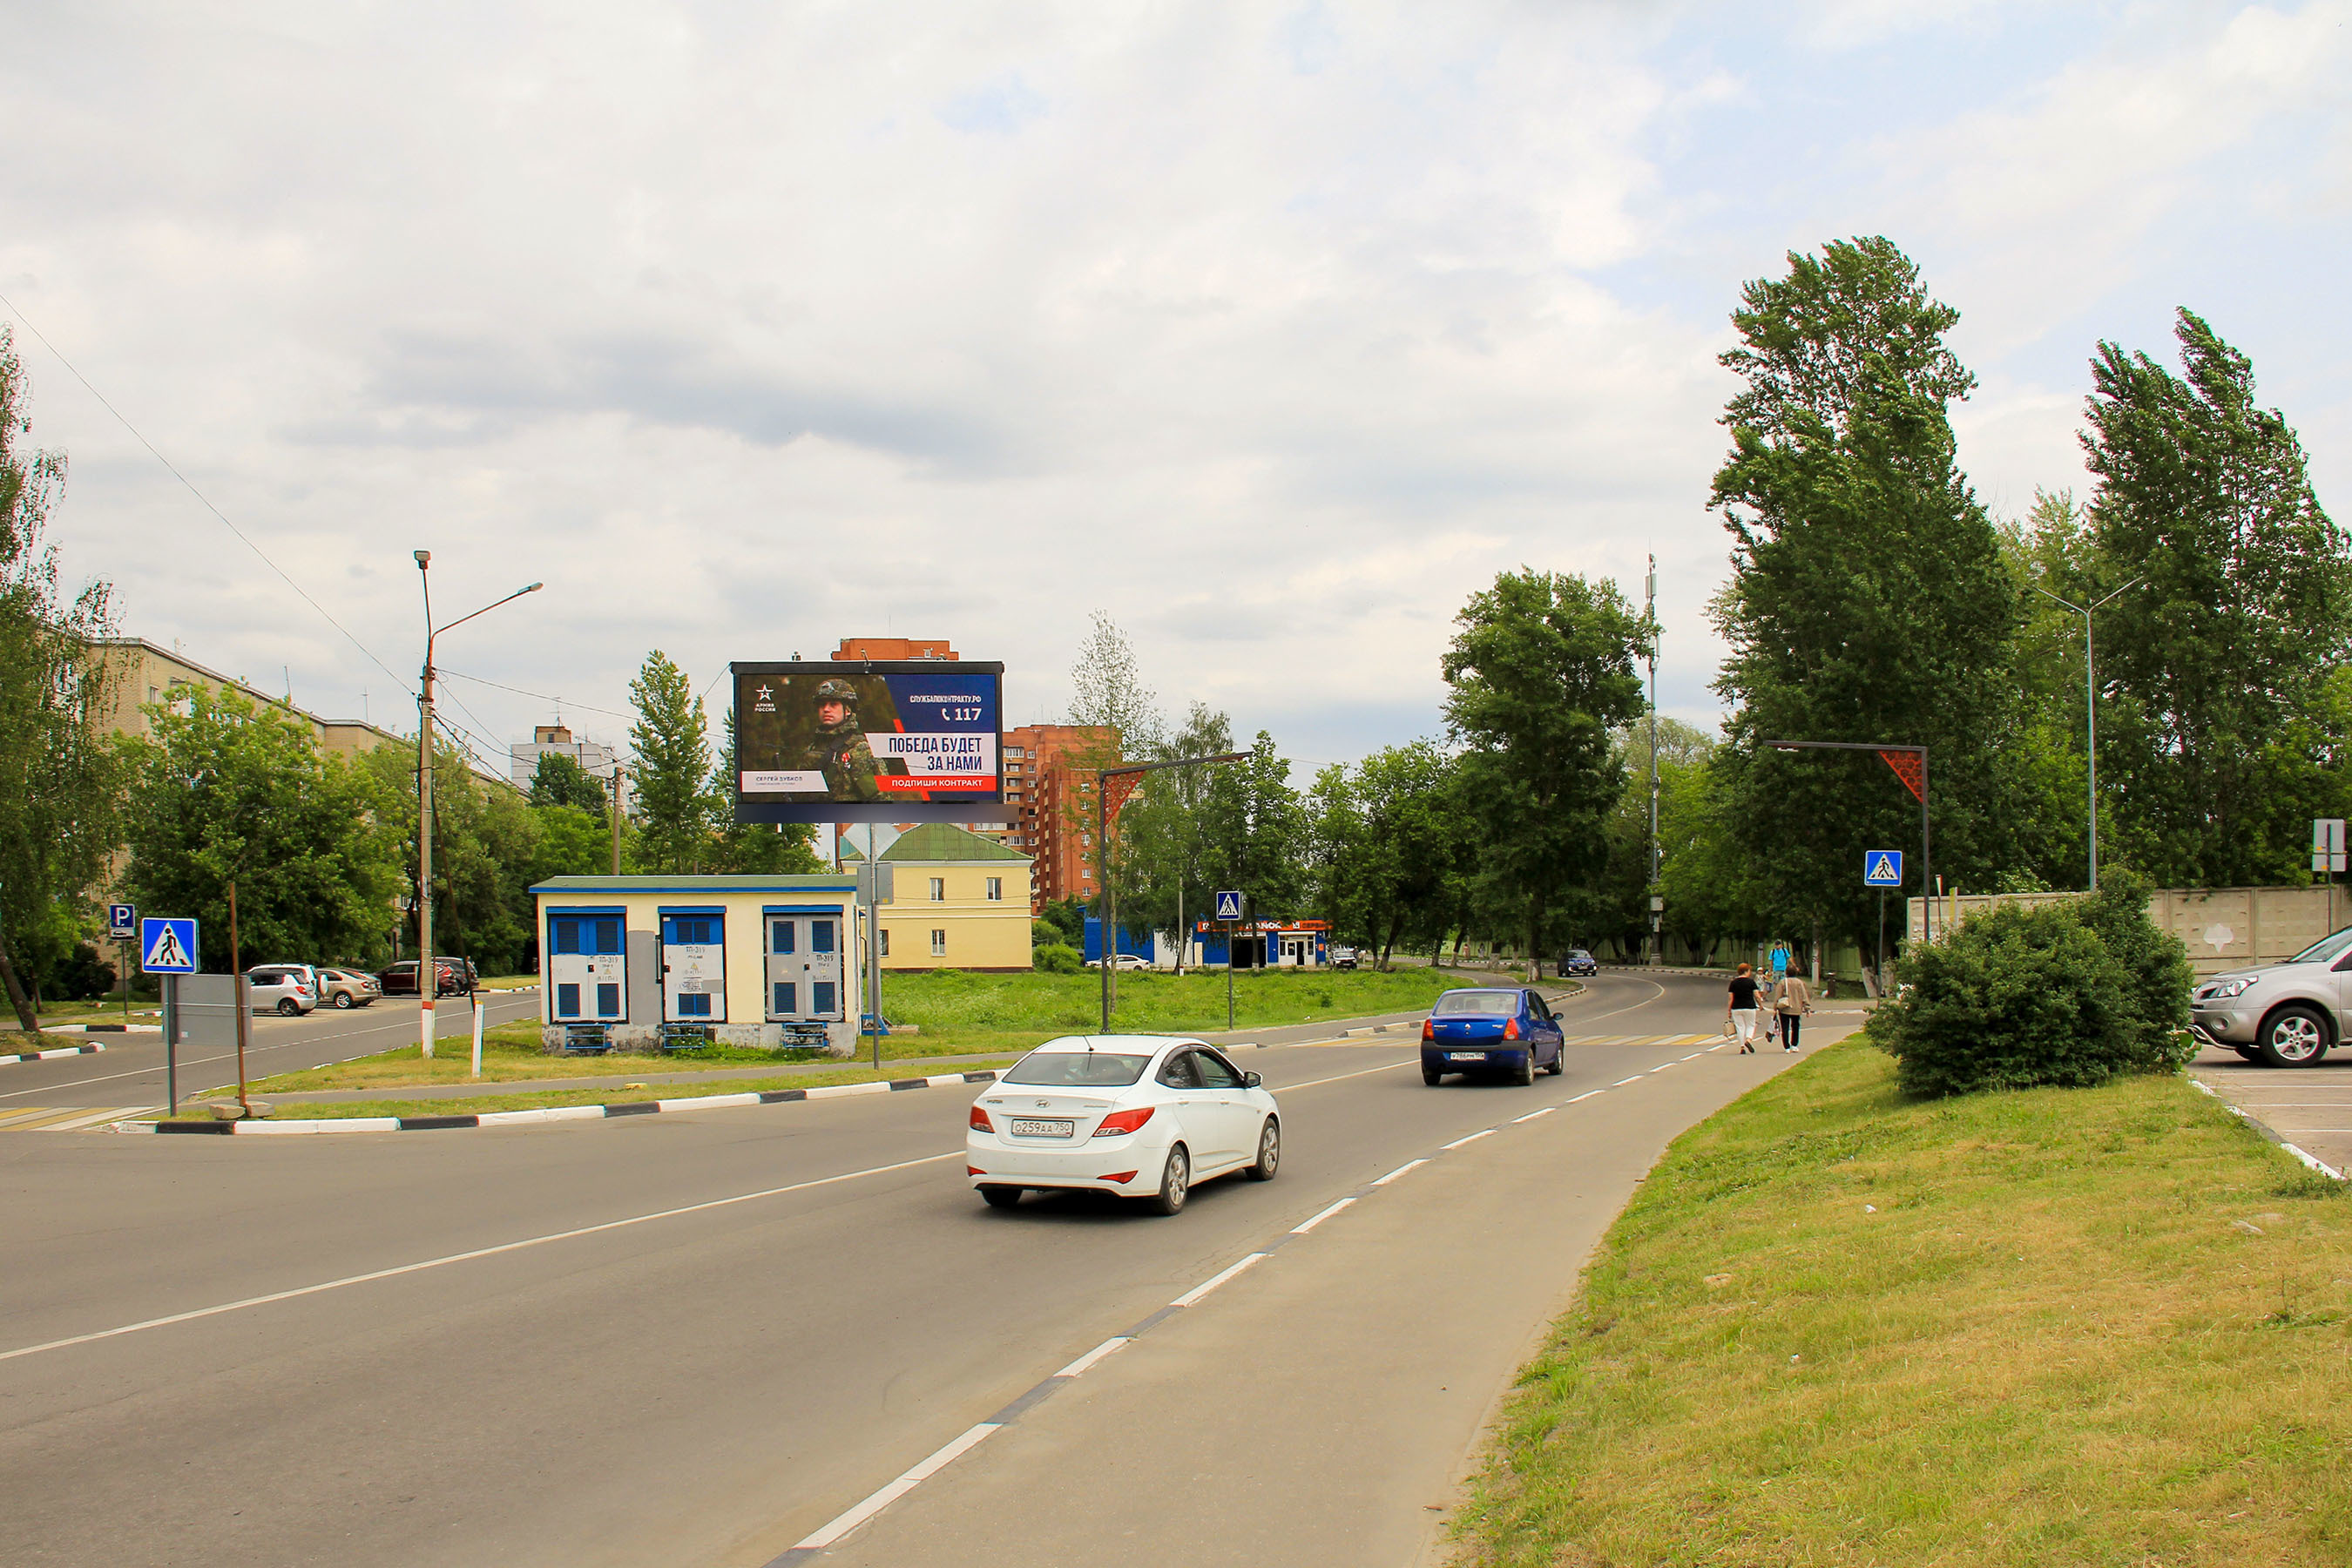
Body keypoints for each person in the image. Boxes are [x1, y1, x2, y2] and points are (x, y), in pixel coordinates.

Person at [804, 679, 884, 801]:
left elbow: (878, 798)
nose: (826, 709)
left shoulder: (858, 749)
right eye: (822, 704)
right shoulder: (812, 748)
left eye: (833, 704)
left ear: (847, 710)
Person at [1774, 968, 1812, 1051]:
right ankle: (1794, 1044)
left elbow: (1778, 995)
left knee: (1785, 1027)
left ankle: (1786, 1046)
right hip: (1797, 1008)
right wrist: (1807, 1008)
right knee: (1795, 1026)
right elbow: (1804, 996)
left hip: (1784, 1008)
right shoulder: (1799, 983)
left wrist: (1775, 1006)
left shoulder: (1783, 982)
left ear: (1786, 973)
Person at [1727, 963, 1761, 1053]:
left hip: (1736, 1008)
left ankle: (1742, 1047)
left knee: (1740, 1027)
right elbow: (1757, 996)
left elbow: (1731, 998)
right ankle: (1748, 1040)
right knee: (1751, 1025)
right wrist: (1760, 1005)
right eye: (1749, 970)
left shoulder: (1733, 983)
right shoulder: (1751, 982)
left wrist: (1729, 1010)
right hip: (1750, 1007)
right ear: (1746, 971)